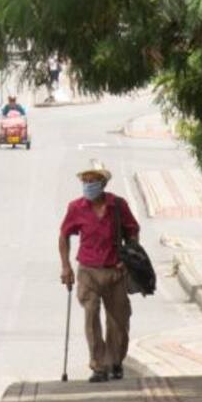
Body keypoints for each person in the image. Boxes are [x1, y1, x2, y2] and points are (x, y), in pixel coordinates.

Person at [58, 162, 140, 382]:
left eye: (92, 180)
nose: (88, 185)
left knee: (119, 321)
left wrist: (129, 257)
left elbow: (133, 231)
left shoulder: (117, 205)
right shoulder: (76, 207)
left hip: (115, 271)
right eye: (85, 181)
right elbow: (64, 235)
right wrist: (65, 266)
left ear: (103, 183)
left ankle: (115, 361)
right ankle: (99, 365)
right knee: (91, 314)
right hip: (88, 272)